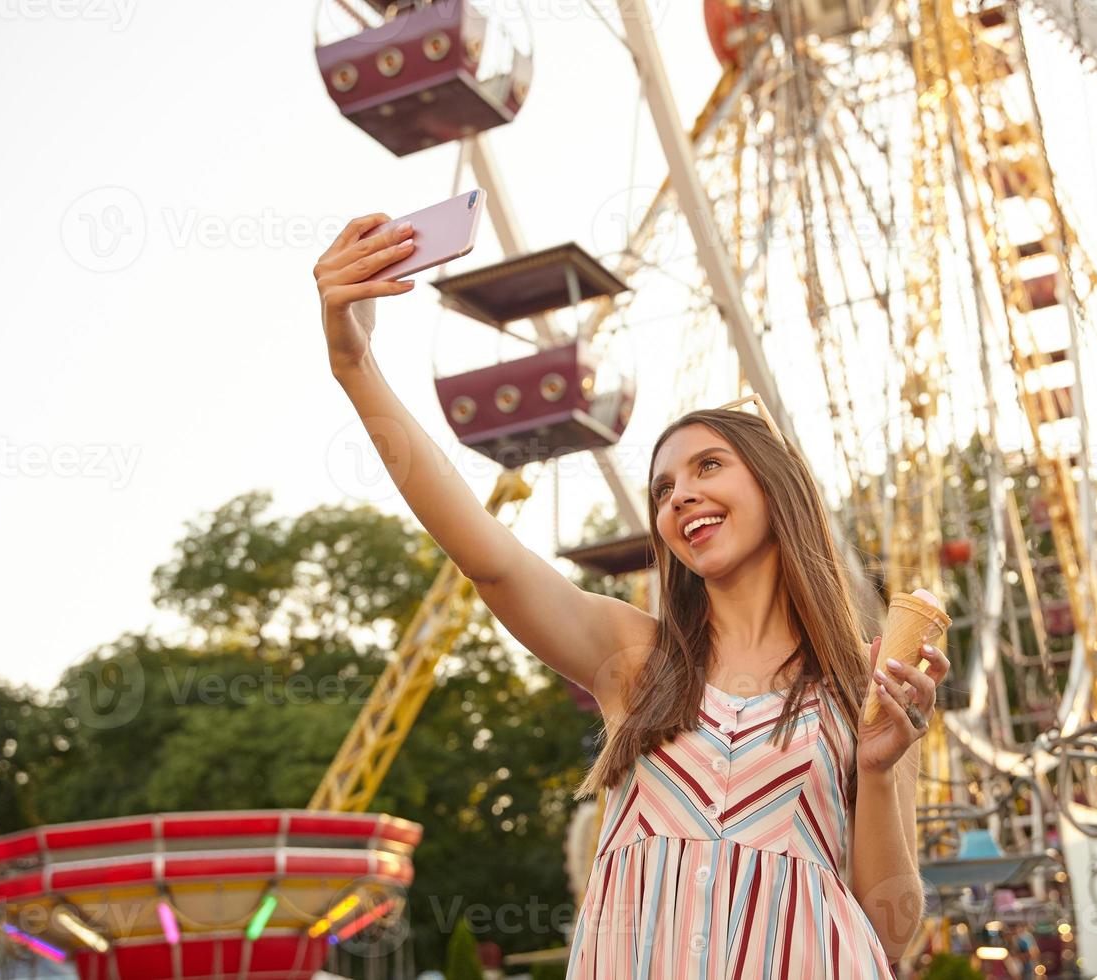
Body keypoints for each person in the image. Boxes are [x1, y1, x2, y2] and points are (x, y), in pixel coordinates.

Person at [314, 214, 951, 977]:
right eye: (663, 488)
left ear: (775, 488)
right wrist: (355, 365)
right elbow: (488, 557)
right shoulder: (637, 660)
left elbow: (887, 934)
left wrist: (877, 771)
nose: (681, 495)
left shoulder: (863, 689)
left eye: (709, 467)